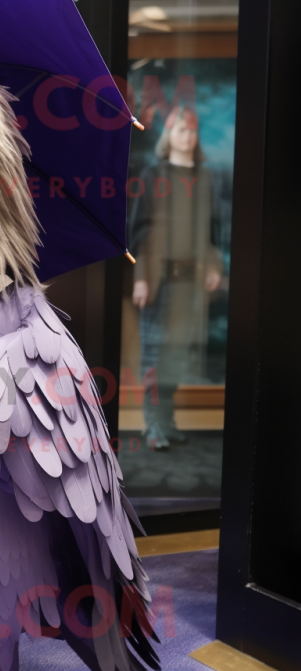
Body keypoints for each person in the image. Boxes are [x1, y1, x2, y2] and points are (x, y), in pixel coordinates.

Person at [129, 106, 222, 450]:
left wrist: (213, 268)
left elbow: (212, 233)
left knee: (177, 356)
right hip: (158, 281)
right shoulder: (154, 176)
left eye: (192, 131)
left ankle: (167, 420)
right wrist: (141, 277)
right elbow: (140, 231)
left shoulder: (206, 178)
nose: (188, 136)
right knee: (154, 355)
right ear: (170, 135)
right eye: (181, 130)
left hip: (190, 283)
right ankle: (152, 426)